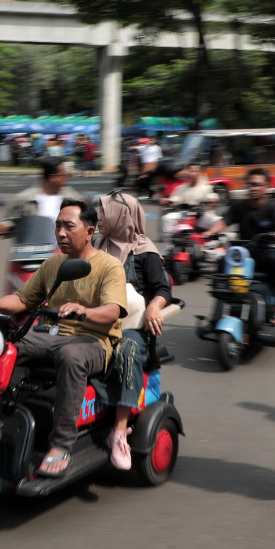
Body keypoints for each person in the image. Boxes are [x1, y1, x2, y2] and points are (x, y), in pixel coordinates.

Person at [0, 200, 126, 476]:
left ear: (90, 232)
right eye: (57, 226)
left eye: (69, 227)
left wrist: (85, 311)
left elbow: (113, 311)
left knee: (70, 356)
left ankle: (61, 444)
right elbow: (22, 299)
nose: (61, 233)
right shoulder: (53, 263)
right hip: (50, 334)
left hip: (93, 342)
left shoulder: (109, 266)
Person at [95, 192, 172, 470]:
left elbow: (163, 289)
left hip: (132, 328)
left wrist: (155, 305)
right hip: (94, 320)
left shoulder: (145, 251)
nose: (99, 217)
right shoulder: (95, 245)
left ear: (121, 216)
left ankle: (118, 433)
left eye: (104, 212)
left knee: (126, 351)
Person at [205, 167, 275, 325]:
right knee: (223, 262)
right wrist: (210, 232)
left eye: (258, 185)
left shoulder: (274, 207)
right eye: (251, 184)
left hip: (267, 250)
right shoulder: (239, 206)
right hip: (245, 252)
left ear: (266, 186)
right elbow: (224, 222)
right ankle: (217, 311)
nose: (254, 188)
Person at [0, 156, 85, 235]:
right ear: (52, 177)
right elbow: (9, 220)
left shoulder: (73, 197)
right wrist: (5, 226)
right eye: (64, 175)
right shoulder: (25, 198)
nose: (66, 178)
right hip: (34, 248)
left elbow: (86, 216)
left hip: (66, 248)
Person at [160, 164, 219, 239]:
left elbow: (213, 199)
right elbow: (175, 199)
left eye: (195, 171)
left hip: (202, 215)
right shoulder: (181, 188)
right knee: (167, 218)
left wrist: (212, 201)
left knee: (218, 221)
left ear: (199, 173)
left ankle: (214, 244)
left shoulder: (206, 187)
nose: (193, 173)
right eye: (191, 171)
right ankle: (170, 245)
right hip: (185, 214)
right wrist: (168, 201)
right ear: (187, 173)